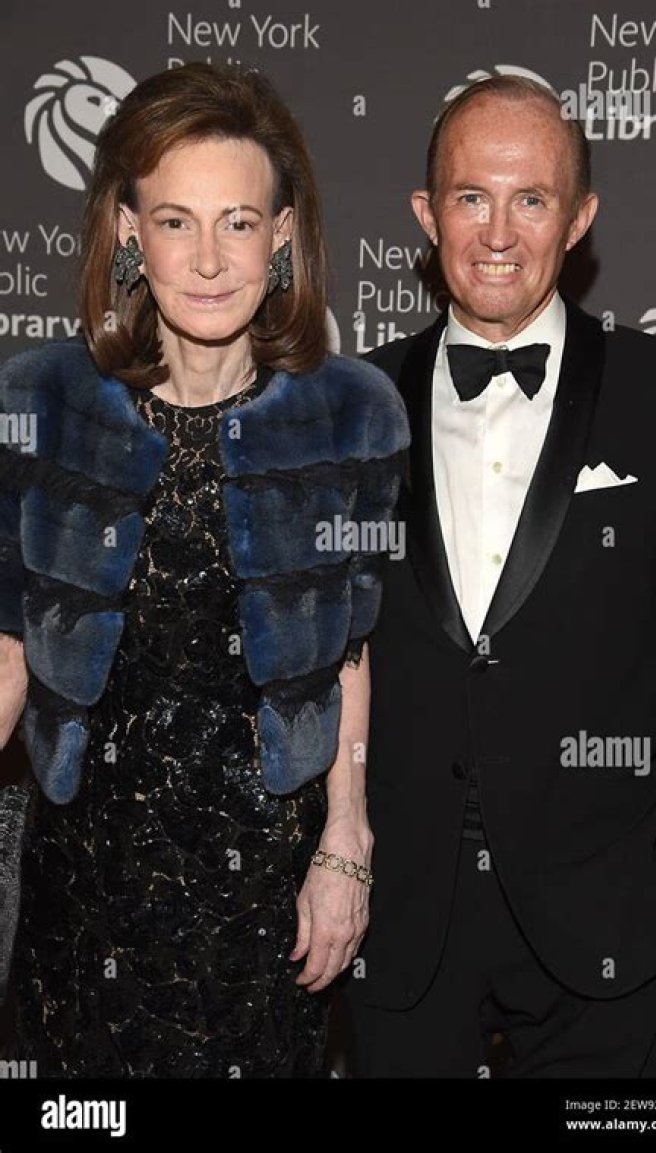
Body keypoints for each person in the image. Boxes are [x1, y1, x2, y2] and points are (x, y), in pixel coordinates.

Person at [0, 62, 409, 1078]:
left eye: (239, 222)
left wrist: (346, 841)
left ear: (283, 234)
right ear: (128, 230)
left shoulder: (349, 415)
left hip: (265, 899)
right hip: (84, 887)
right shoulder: (43, 402)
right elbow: (8, 646)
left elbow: (348, 654)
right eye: (176, 222)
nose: (211, 259)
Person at [344, 75, 656, 1078]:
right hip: (400, 909)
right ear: (427, 214)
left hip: (615, 911)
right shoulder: (351, 405)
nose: (499, 233)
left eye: (532, 200)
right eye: (472, 197)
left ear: (580, 217)